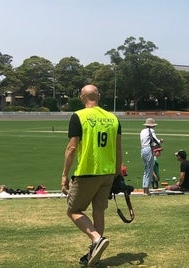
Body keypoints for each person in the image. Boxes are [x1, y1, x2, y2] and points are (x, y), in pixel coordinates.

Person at [61, 84, 120, 266]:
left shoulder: (78, 116)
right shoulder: (113, 118)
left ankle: (96, 239)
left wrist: (64, 174)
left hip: (87, 171)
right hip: (108, 172)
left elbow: (72, 147)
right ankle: (95, 254)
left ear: (81, 97)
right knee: (98, 211)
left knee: (73, 210)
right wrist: (117, 174)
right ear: (99, 96)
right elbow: (118, 148)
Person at [140, 118, 162, 196]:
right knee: (149, 170)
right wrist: (160, 141)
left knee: (146, 170)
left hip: (143, 150)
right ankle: (146, 191)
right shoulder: (151, 131)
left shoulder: (142, 131)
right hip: (149, 150)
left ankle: (145, 189)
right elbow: (155, 140)